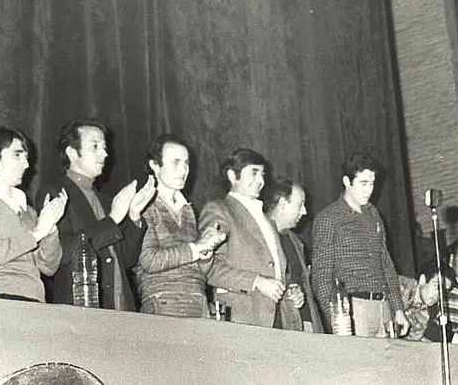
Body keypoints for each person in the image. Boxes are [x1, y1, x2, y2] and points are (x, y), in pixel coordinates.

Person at [37, 119, 155, 310]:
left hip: (121, 306)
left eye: (104, 147)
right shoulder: (55, 193)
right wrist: (113, 219)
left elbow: (126, 260)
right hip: (81, 306)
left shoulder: (106, 200)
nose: (105, 154)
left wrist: (134, 216)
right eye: (95, 146)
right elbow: (63, 253)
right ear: (72, 153)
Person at [199, 148, 299, 329]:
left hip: (277, 316)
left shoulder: (266, 219)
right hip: (243, 317)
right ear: (232, 175)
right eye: (253, 173)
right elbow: (209, 266)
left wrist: (290, 289)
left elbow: (275, 269)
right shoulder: (219, 210)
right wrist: (256, 282)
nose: (260, 180)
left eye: (262, 174)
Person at [311, 153, 409, 337]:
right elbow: (321, 276)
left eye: (372, 183)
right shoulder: (329, 219)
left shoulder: (373, 215)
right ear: (347, 181)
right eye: (363, 183)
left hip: (383, 307)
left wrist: (398, 309)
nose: (369, 190)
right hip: (354, 309)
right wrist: (336, 317)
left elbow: (386, 263)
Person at [133, 134, 225, 317]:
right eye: (176, 162)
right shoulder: (143, 206)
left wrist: (206, 254)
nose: (183, 169)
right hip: (163, 301)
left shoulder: (188, 210)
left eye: (186, 163)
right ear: (155, 165)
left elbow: (200, 269)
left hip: (197, 301)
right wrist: (195, 248)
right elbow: (149, 260)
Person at [0, 127, 68, 302]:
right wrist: (37, 232)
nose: (26, 164)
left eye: (26, 157)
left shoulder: (27, 209)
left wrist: (50, 228)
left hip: (36, 300)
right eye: (17, 155)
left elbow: (48, 267)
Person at [265, 179, 324, 332]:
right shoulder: (261, 238)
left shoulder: (295, 241)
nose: (304, 211)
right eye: (300, 204)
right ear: (283, 204)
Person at [398, 261, 453, 341]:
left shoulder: (423, 317)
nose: (440, 296)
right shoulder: (397, 286)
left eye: (445, 292)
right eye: (437, 287)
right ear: (422, 280)